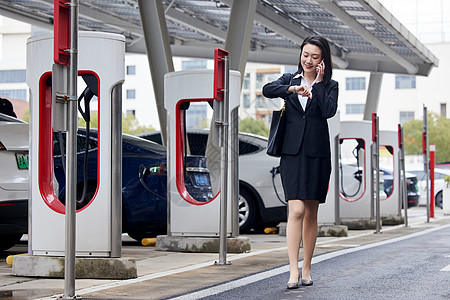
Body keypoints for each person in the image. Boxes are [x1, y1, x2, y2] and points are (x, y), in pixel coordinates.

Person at [262, 35, 338, 289]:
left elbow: (328, 111)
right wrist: (294, 89)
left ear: (323, 61)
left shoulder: (330, 85)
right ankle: (293, 270)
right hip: (292, 153)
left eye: (314, 57)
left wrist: (316, 84)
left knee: (311, 212)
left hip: (317, 154)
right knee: (296, 210)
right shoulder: (288, 80)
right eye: (305, 55)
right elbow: (266, 90)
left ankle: (307, 268)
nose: (308, 60)